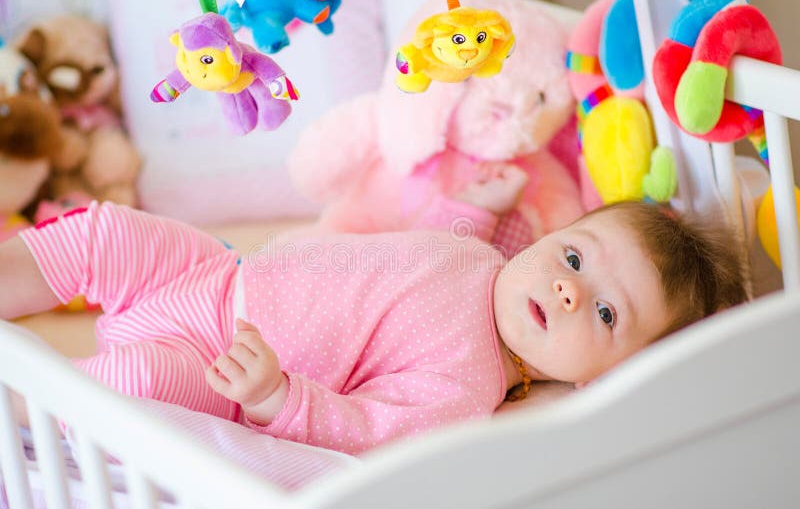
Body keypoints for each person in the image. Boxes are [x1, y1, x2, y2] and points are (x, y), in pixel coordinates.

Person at [0, 164, 750, 455]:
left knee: (135, 384)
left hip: (219, 368)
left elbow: (371, 430)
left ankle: (22, 406)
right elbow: (430, 246)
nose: (567, 288)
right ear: (551, 238)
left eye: (607, 315)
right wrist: (472, 205)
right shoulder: (488, 259)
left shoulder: (468, 383)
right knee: (106, 233)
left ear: (603, 379)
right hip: (213, 273)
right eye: (575, 257)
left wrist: (276, 398)